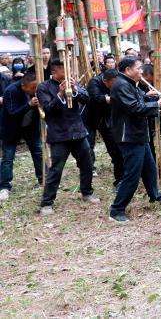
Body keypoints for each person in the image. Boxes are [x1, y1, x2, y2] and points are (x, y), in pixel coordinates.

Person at [36, 59, 99, 215]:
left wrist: (75, 88)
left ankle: (87, 192)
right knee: (56, 169)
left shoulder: (73, 82)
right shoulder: (43, 87)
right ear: (54, 71)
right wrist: (61, 93)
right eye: (64, 70)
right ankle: (47, 202)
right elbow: (48, 109)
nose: (68, 72)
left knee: (87, 164)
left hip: (78, 131)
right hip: (59, 135)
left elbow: (86, 99)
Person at [108, 57, 161, 222]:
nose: (141, 71)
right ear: (128, 70)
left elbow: (138, 100)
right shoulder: (121, 85)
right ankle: (117, 210)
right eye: (138, 68)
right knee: (132, 174)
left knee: (149, 168)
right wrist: (157, 104)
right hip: (129, 136)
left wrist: (150, 97)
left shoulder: (130, 83)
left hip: (138, 133)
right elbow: (134, 107)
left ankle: (155, 196)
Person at [0, 73, 44, 200]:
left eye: (36, 87)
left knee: (38, 152)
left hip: (30, 127)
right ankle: (4, 187)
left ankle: (43, 179)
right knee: (8, 157)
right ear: (24, 86)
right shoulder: (10, 91)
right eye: (32, 87)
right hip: (11, 129)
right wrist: (29, 105)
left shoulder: (35, 91)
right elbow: (12, 113)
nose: (35, 90)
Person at [86, 68, 123, 187]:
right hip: (90, 119)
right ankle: (89, 169)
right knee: (88, 145)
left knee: (115, 148)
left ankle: (120, 178)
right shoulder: (94, 82)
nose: (116, 85)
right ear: (106, 81)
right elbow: (97, 97)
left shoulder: (117, 82)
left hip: (108, 118)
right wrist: (115, 99)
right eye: (114, 83)